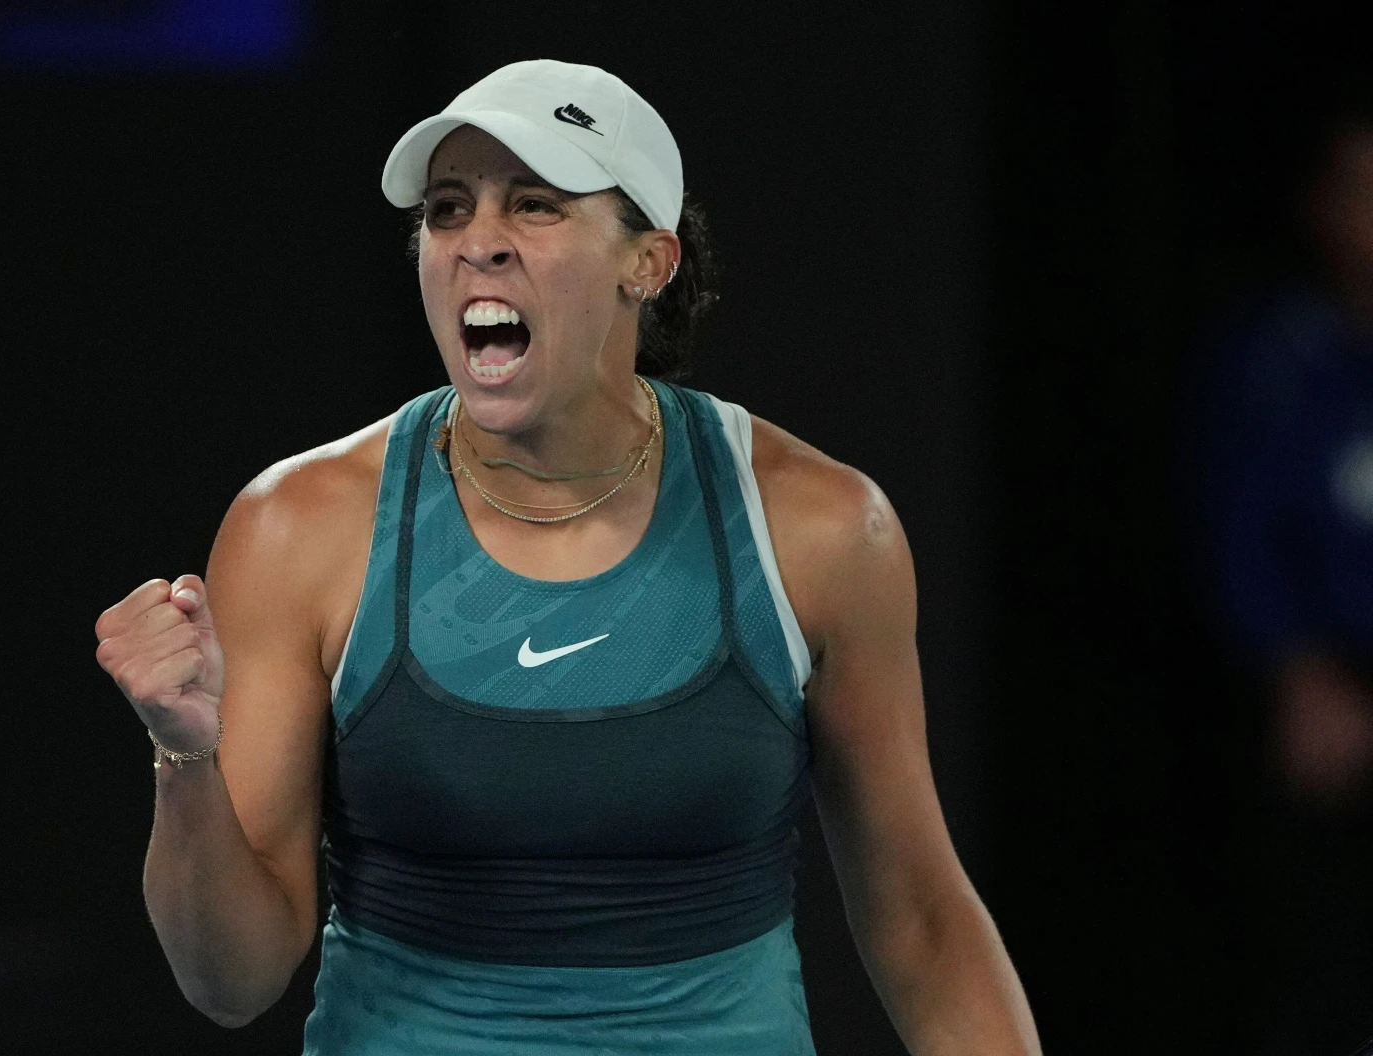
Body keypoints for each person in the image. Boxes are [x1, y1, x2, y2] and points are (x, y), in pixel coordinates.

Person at [94, 59, 1041, 1055]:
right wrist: (185, 759)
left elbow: (923, 926)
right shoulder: (297, 527)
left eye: (535, 206)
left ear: (649, 262)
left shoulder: (821, 528)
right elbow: (229, 981)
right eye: (449, 210)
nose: (478, 244)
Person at [1184, 111, 1373, 1055]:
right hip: (1321, 702)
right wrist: (1297, 668)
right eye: (1358, 187)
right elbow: (1240, 528)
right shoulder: (1275, 358)